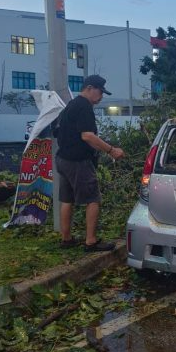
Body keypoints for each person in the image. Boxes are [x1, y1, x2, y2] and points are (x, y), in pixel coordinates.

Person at [56, 75, 124, 252]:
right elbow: (87, 136)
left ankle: (66, 239)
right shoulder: (84, 106)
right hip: (78, 162)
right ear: (90, 88)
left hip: (63, 159)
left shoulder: (72, 105)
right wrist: (111, 150)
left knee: (67, 199)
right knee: (93, 199)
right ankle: (91, 241)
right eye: (100, 92)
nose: (101, 96)